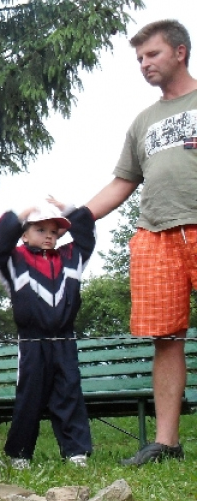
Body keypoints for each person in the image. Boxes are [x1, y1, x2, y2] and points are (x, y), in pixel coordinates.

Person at [84, 19, 197, 466]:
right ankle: (166, 444)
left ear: (180, 51)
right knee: (165, 339)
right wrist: (75, 218)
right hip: (156, 234)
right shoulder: (143, 121)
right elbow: (122, 182)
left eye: (151, 55)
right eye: (139, 59)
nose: (143, 64)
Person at [0, 197, 96, 469]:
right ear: (23, 233)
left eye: (53, 231)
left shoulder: (71, 258)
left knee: (69, 391)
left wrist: (66, 209)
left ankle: (76, 452)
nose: (48, 236)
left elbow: (88, 233)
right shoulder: (12, 260)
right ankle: (20, 453)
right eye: (39, 229)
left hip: (64, 339)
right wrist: (23, 213)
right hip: (31, 341)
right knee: (29, 395)